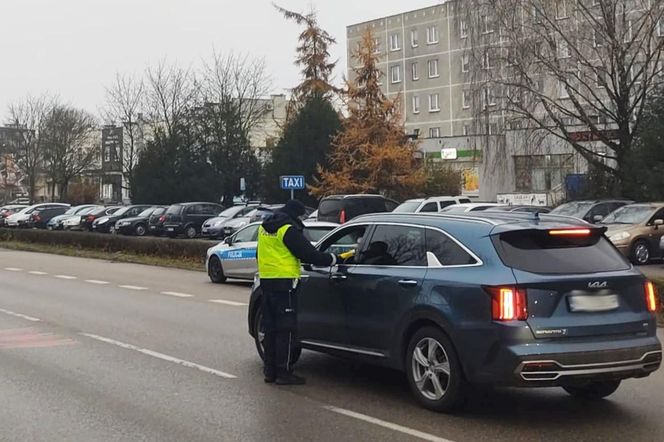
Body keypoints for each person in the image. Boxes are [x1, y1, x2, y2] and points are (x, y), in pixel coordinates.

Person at [257, 200, 337, 385]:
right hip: (286, 286)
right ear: (296, 214)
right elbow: (310, 255)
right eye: (301, 216)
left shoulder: (264, 227)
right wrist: (333, 258)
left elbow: (259, 254)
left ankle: (270, 372)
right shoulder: (288, 229)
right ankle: (283, 372)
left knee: (270, 329)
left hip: (267, 282)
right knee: (286, 329)